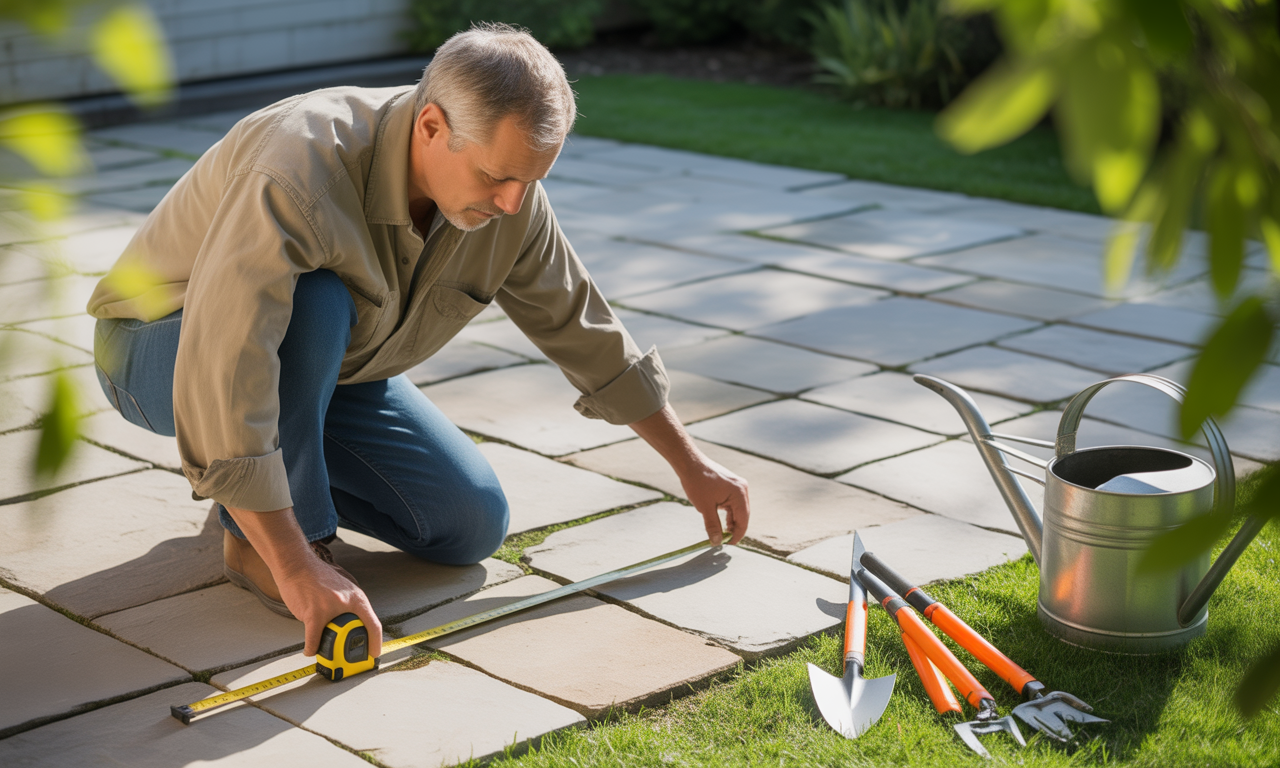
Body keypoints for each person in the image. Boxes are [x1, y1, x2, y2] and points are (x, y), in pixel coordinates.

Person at [86, 23, 750, 662]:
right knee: (315, 300)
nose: (512, 203)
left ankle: (267, 491)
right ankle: (262, 539)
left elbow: (580, 324)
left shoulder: (511, 198)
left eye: (530, 181)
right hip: (157, 350)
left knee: (468, 524)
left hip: (327, 370)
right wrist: (294, 561)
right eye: (496, 177)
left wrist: (692, 465)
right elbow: (226, 360)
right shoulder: (298, 167)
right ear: (431, 126)